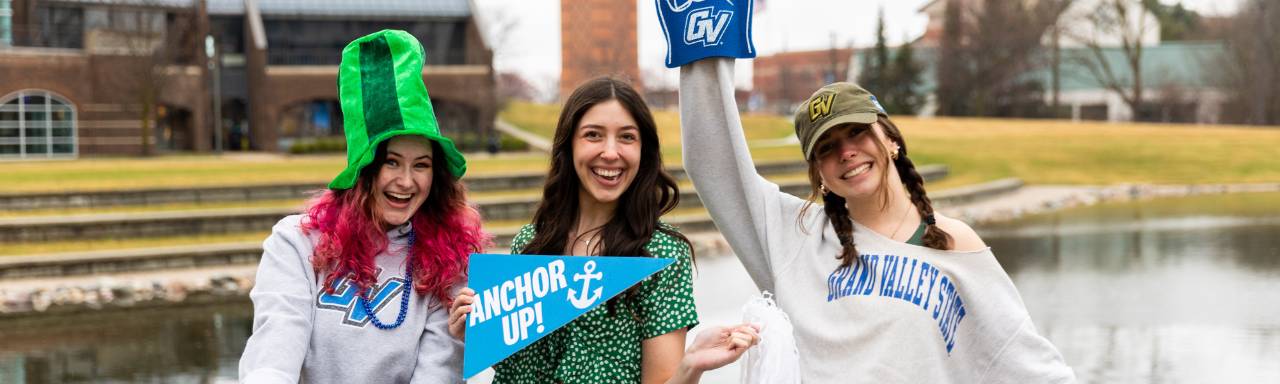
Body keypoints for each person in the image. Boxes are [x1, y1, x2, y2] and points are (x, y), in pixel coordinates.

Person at [675, 59, 1076, 381]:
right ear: (819, 175)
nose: (846, 152)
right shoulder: (795, 237)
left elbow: (1022, 359)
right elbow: (714, 162)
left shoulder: (953, 242)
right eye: (828, 148)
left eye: (856, 133)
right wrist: (709, 48)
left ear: (891, 139)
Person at [448, 77, 759, 383]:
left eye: (626, 137)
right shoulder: (529, 244)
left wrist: (691, 366)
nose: (611, 152)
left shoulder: (661, 255)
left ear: (643, 151)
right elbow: (513, 371)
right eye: (593, 135)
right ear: (568, 145)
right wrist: (474, 333)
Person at [238, 30, 488, 384]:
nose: (406, 181)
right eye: (391, 162)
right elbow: (274, 355)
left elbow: (435, 373)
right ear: (363, 169)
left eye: (421, 165)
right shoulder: (296, 242)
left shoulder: (446, 259)